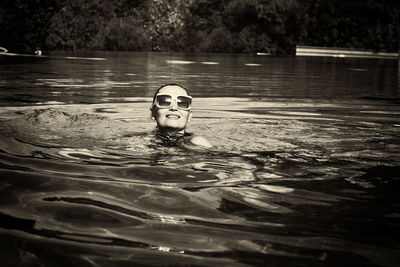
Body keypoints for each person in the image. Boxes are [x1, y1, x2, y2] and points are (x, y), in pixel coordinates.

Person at [150, 84, 213, 148]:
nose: (174, 108)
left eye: (182, 103)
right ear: (152, 113)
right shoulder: (144, 139)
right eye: (164, 102)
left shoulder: (197, 142)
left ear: (189, 116)